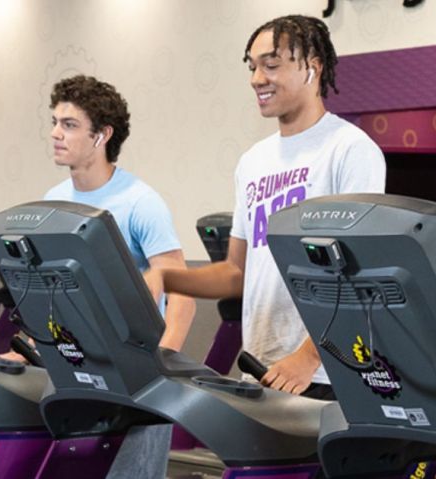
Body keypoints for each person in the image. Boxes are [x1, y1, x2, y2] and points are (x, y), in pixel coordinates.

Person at [147, 15, 385, 400]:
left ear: (312, 67)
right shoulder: (253, 161)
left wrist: (308, 357)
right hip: (261, 366)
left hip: (324, 374)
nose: (257, 78)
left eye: (271, 65)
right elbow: (235, 273)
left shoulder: (350, 150)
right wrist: (166, 279)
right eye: (253, 66)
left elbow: (357, 275)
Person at [45, 75, 195, 479]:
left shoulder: (140, 203)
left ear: (102, 135)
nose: (55, 133)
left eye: (70, 124)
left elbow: (181, 293)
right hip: (75, 371)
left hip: (135, 378)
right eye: (55, 122)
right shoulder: (52, 202)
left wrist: (161, 367)